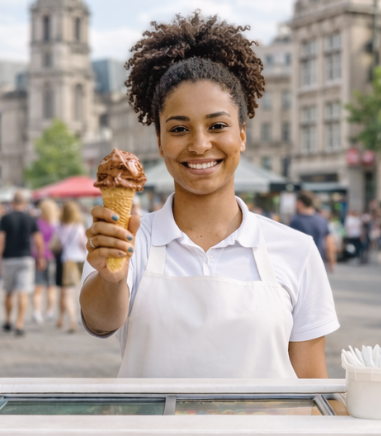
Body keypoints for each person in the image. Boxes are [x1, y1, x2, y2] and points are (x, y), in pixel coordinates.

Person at [81, 12, 338, 379]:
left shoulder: (296, 250)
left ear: (242, 135)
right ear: (159, 141)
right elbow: (100, 322)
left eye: (218, 126)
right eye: (180, 128)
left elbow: (312, 385)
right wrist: (110, 277)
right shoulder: (131, 239)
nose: (200, 145)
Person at [0, 190, 45, 336]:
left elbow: (0, 241)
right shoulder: (30, 219)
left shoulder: (5, 218)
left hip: (8, 259)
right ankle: (20, 323)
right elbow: (38, 240)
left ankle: (8, 320)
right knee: (23, 292)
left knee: (8, 292)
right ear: (25, 204)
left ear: (12, 203)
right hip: (25, 259)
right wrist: (40, 257)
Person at [55, 200, 87, 332]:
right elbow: (83, 244)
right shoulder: (78, 227)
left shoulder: (59, 227)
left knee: (66, 292)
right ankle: (74, 319)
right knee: (78, 291)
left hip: (67, 260)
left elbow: (57, 244)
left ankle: (70, 319)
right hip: (80, 260)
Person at [288, 192, 335, 273]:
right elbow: (330, 243)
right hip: (318, 262)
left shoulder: (295, 221)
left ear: (299, 203)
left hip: (299, 264)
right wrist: (332, 262)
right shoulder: (322, 220)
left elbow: (290, 243)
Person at [33, 199, 60, 324]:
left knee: (38, 286)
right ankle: (49, 311)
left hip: (38, 257)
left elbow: (34, 242)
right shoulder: (55, 225)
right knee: (51, 286)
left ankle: (37, 312)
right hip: (50, 257)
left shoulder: (37, 223)